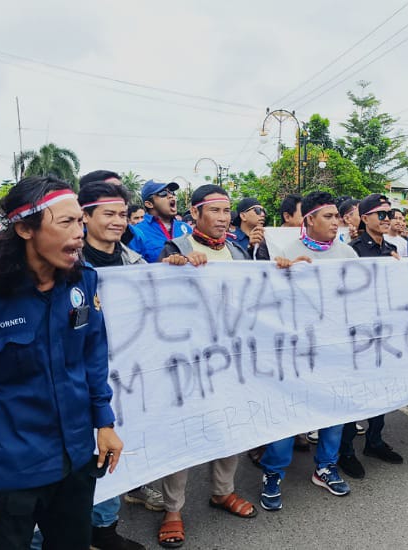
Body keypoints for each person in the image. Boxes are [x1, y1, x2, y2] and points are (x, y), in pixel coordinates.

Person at [0, 175, 123, 549]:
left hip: (77, 459)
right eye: (66, 222)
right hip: (14, 467)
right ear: (26, 229)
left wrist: (104, 421)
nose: (79, 233)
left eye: (80, 220)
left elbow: (93, 353)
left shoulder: (84, 282)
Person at [155, 184, 258, 548]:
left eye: (227, 210)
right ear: (195, 214)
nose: (223, 217)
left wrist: (283, 269)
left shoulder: (239, 252)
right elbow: (154, 297)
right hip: (185, 360)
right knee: (182, 432)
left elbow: (260, 295)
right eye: (214, 210)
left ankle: (222, 491)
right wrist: (172, 269)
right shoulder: (175, 249)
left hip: (231, 358)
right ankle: (172, 509)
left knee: (230, 425)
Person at [260, 191, 354, 511]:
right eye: (328, 216)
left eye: (337, 216)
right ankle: (272, 472)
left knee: (335, 410)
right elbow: (270, 304)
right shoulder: (285, 252)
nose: (335, 222)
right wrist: (281, 274)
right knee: (288, 412)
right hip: (295, 351)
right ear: (309, 220)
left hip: (335, 349)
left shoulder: (348, 254)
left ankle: (326, 466)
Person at [77, 182, 153, 550]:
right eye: (108, 213)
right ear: (84, 216)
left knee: (113, 453)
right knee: (77, 458)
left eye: (123, 214)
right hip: (79, 376)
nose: (118, 221)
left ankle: (104, 530)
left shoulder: (136, 262)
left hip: (126, 375)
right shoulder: (68, 264)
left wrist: (176, 269)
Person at [336, 194, 403, 479]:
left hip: (384, 332)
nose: (386, 220)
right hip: (357, 335)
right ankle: (346, 450)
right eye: (380, 215)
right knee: (355, 395)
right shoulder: (352, 251)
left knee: (382, 391)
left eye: (389, 215)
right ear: (364, 218)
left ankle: (375, 441)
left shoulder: (392, 249)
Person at [129, 181, 192, 262]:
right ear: (149, 204)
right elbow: (134, 268)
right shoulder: (137, 232)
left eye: (172, 192)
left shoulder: (186, 228)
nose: (171, 196)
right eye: (163, 193)